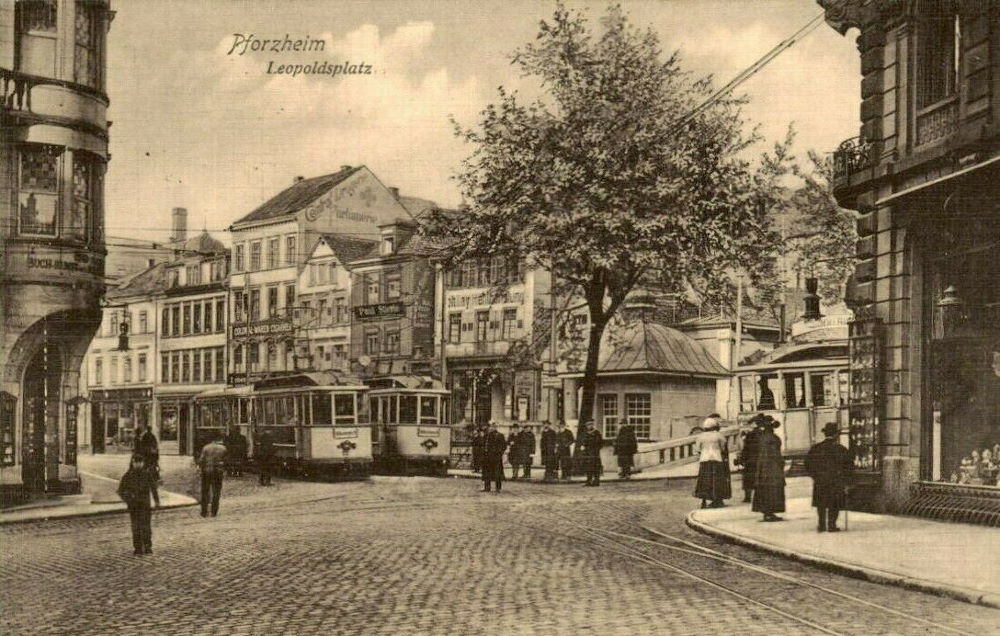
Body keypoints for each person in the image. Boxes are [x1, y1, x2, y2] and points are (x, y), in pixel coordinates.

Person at [805, 422, 853, 532]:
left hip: (820, 481)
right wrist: (846, 480)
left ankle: (821, 525)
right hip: (835, 481)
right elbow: (849, 466)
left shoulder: (816, 448)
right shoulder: (841, 449)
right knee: (834, 504)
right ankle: (832, 525)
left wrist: (815, 476)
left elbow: (807, 464)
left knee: (821, 504)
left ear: (825, 434)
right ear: (836, 435)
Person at [117, 453, 160, 555]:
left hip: (145, 505)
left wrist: (157, 501)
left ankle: (148, 546)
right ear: (133, 463)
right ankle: (137, 547)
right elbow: (121, 490)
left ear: (143, 463)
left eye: (140, 462)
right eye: (136, 462)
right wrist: (128, 499)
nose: (138, 464)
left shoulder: (147, 474)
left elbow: (153, 488)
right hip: (134, 506)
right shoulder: (128, 476)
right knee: (136, 527)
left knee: (146, 526)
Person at [752, 415, 785, 522]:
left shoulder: (761, 438)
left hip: (762, 467)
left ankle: (766, 512)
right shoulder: (774, 439)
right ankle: (770, 512)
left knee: (764, 489)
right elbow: (776, 454)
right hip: (772, 467)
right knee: (773, 489)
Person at [694, 414, 732, 508]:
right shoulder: (719, 436)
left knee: (704, 480)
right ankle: (717, 499)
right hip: (717, 459)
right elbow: (723, 448)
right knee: (717, 480)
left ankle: (704, 500)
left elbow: (697, 449)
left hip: (705, 460)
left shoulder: (700, 436)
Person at [197, 432, 227, 518]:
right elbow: (225, 460)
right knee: (216, 491)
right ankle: (214, 511)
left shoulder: (206, 448)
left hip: (207, 471)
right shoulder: (223, 448)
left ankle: (204, 511)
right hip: (218, 471)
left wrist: (201, 467)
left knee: (205, 491)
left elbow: (201, 460)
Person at [736, 415, 764, 503]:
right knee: (761, 478)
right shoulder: (764, 434)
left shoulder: (750, 435)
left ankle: (747, 497)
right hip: (761, 459)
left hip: (750, 460)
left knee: (748, 479)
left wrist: (742, 459)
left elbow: (746, 449)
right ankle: (760, 496)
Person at [482, 421, 507, 492]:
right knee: (487, 472)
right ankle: (487, 487)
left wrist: (499, 452)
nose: (492, 428)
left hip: (496, 457)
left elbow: (504, 446)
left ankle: (498, 488)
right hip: (487, 457)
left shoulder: (500, 435)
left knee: (497, 473)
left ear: (496, 427)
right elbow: (483, 445)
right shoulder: (486, 436)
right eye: (491, 426)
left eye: (494, 426)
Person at [580, 421, 604, 486]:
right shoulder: (585, 433)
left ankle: (596, 481)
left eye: (590, 425)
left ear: (592, 425)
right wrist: (583, 446)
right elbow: (583, 442)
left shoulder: (597, 433)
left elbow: (600, 443)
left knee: (596, 467)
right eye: (587, 425)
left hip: (594, 454)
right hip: (587, 453)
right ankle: (589, 481)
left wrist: (595, 450)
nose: (589, 426)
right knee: (588, 467)